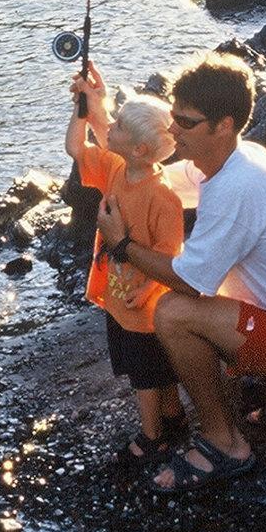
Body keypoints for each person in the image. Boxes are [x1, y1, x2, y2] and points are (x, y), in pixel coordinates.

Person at [96, 52, 266, 493]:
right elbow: (147, 178)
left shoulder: (237, 186)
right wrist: (98, 113)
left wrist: (122, 246)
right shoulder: (235, 159)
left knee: (172, 311)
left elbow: (189, 280)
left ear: (223, 125)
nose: (173, 131)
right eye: (173, 119)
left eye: (186, 123)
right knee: (198, 276)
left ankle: (226, 443)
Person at [65, 63, 186, 468]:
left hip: (143, 308)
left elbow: (171, 255)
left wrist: (148, 290)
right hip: (118, 299)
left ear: (139, 150)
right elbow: (77, 148)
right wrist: (83, 111)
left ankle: (153, 438)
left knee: (146, 378)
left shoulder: (162, 197)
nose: (108, 128)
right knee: (155, 372)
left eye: (116, 127)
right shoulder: (118, 168)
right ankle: (173, 421)